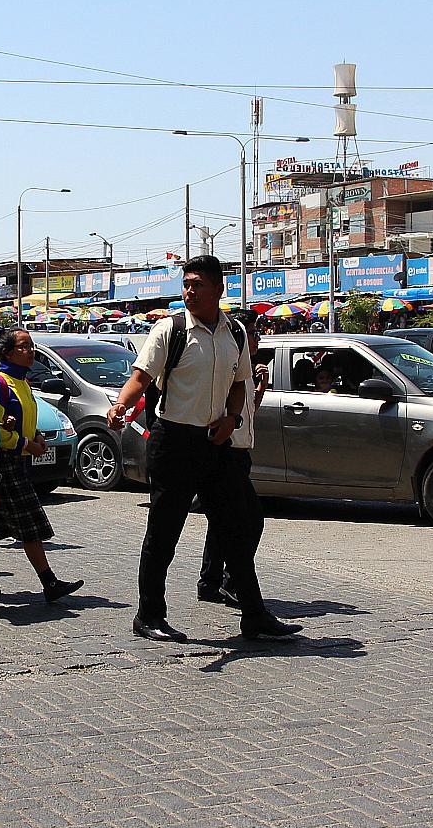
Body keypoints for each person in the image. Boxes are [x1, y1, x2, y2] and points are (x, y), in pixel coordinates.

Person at [107, 256, 294, 643]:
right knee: (164, 531)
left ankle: (254, 617)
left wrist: (231, 419)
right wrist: (121, 404)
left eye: (198, 285)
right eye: (186, 284)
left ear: (218, 289)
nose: (189, 292)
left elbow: (240, 382)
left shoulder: (236, 333)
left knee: (236, 530)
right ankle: (149, 614)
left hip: (217, 443)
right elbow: (141, 376)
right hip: (174, 440)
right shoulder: (170, 329)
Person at [0, 330, 83, 603]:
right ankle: (49, 582)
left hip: (18, 460)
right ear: (8, 353)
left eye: (32, 346)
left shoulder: (22, 382)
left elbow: (23, 420)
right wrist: (26, 444)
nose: (31, 351)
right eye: (24, 347)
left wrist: (35, 437)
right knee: (30, 522)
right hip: (3, 462)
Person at [198, 310, 269, 608]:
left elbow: (248, 409)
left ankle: (211, 581)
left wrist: (261, 388)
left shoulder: (247, 371)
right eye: (252, 333)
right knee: (250, 521)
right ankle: (232, 580)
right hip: (226, 451)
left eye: (256, 334)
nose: (256, 339)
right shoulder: (230, 368)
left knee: (221, 522)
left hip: (241, 452)